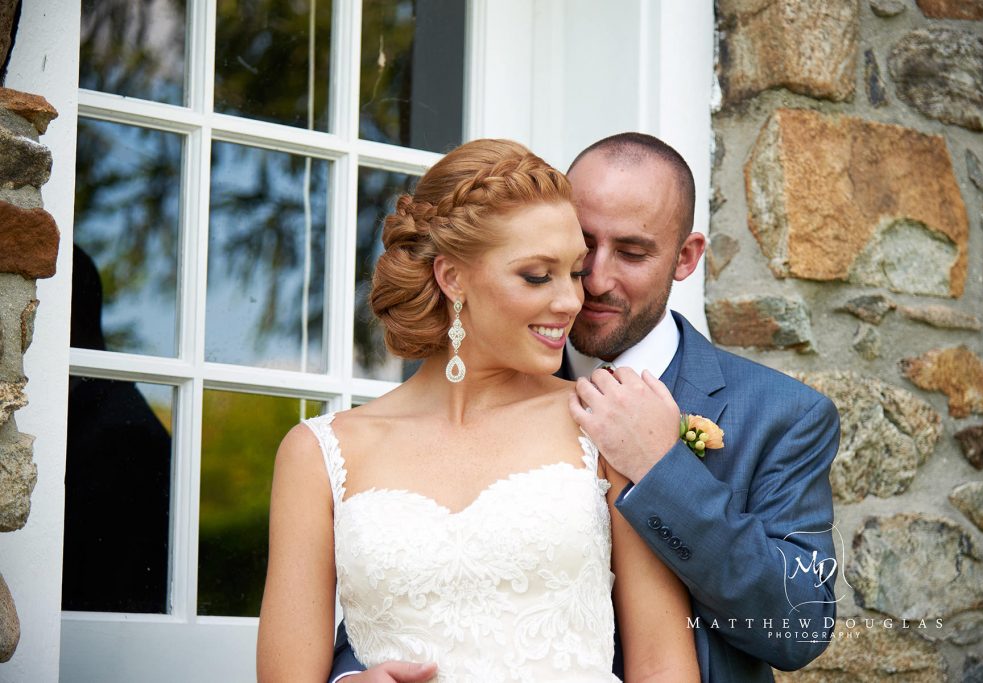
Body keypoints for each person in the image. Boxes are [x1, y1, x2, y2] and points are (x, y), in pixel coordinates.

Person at [257, 139, 700, 683]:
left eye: (574, 272)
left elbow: (664, 667)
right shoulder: (318, 453)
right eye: (538, 275)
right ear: (452, 278)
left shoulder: (605, 421)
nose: (570, 301)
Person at [565, 133, 841, 681]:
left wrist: (663, 471)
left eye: (632, 252)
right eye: (582, 243)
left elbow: (801, 625)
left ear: (686, 257)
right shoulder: (497, 386)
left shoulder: (784, 415)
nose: (596, 278)